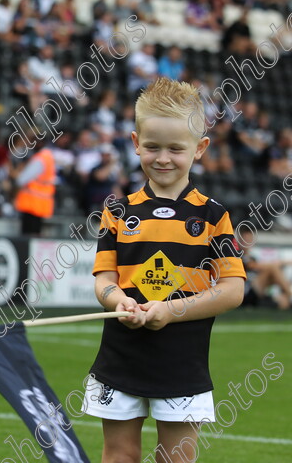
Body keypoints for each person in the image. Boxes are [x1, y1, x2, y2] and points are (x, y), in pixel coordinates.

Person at [84, 78, 246, 463]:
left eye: (176, 148)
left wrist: (171, 311)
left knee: (175, 458)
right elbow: (104, 279)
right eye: (152, 146)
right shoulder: (117, 211)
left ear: (200, 148)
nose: (163, 158)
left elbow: (232, 290)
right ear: (136, 142)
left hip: (182, 362)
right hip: (121, 358)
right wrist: (118, 300)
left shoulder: (213, 216)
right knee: (120, 454)